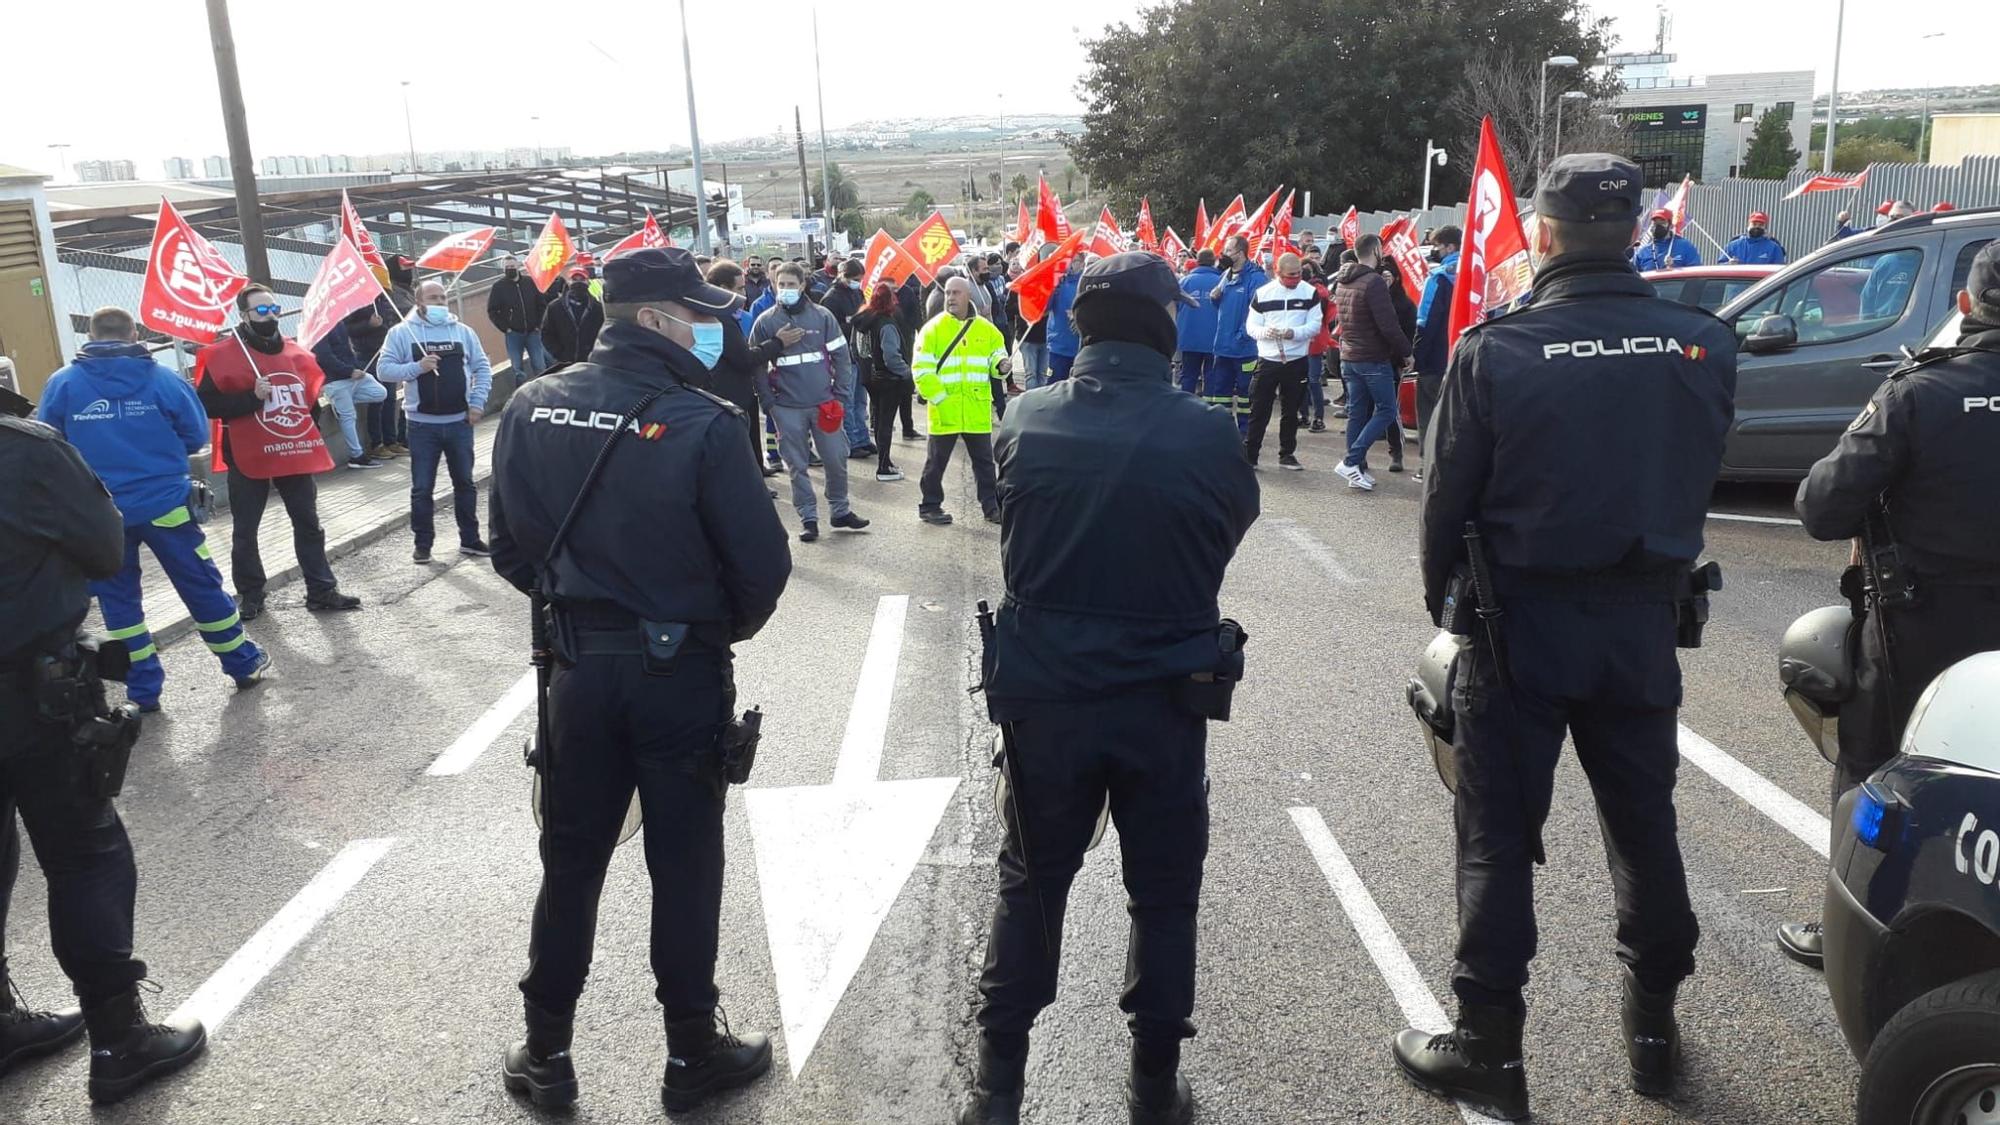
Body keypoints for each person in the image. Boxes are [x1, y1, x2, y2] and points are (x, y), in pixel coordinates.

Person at [1395, 155, 1737, 1120]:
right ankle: (1654, 1032)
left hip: (1520, 630)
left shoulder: (1497, 349)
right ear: (1634, 230)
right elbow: (1698, 465)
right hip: (1641, 623)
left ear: (1541, 234)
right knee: (1645, 828)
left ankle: (1491, 1048)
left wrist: (1446, 609)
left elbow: (1444, 505)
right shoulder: (1703, 340)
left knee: (1497, 838)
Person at [487, 247, 791, 1115]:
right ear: (652, 318)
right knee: (685, 863)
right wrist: (696, 629)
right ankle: (692, 1054)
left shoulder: (530, 405)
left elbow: (508, 546)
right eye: (696, 313)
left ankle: (546, 1052)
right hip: (678, 674)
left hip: (577, 672)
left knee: (571, 857)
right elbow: (761, 571)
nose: (711, 325)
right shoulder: (702, 419)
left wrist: (587, 613)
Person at [959, 252, 1258, 1125]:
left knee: (1031, 881)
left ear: (1081, 326)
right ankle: (1153, 1087)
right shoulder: (1203, 431)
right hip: (1164, 700)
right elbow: (1229, 526)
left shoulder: (1024, 417)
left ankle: (997, 1086)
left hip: (1045, 698)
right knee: (1163, 894)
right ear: (1166, 326)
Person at [1773, 241, 2000, 971]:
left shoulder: (1917, 392)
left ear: (1965, 307)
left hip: (1921, 632)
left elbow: (1820, 505)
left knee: (1872, 768)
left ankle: (1853, 929)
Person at [0, 383, 209, 1105]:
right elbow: (104, 545)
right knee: (87, 855)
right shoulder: (26, 448)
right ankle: (119, 1039)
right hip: (32, 694)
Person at [37, 307, 274, 709]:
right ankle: (242, 664)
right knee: (200, 587)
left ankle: (143, 691)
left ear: (91, 337)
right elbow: (195, 433)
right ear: (133, 334)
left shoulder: (63, 383)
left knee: (119, 603)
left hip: (100, 514)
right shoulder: (163, 379)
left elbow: (50, 445)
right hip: (166, 505)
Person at [195, 283, 361, 620]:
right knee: (246, 529)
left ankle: (321, 589)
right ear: (244, 316)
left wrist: (307, 433)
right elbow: (208, 403)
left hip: (291, 449)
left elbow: (310, 400)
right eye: (262, 310)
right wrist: (251, 397)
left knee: (308, 523)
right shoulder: (223, 354)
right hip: (247, 454)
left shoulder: (295, 352)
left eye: (274, 309)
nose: (270, 316)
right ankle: (251, 594)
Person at [749, 262, 869, 542]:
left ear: (803, 285)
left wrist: (840, 395)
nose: (786, 290)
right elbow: (756, 365)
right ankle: (809, 518)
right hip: (786, 407)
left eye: (792, 284)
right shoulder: (766, 321)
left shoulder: (822, 316)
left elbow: (842, 356)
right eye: (782, 284)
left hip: (824, 404)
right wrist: (768, 403)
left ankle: (840, 510)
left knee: (836, 458)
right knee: (797, 466)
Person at [379, 279, 495, 565]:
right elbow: (384, 371)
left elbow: (482, 368)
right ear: (419, 302)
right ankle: (423, 545)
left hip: (460, 423)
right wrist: (417, 367)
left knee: (465, 484)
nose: (440, 302)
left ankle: (470, 539)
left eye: (443, 297)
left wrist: (477, 403)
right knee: (422, 488)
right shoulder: (401, 333)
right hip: (421, 426)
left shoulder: (463, 332)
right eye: (433, 298)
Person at [912, 277, 1009, 525]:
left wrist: (1001, 365)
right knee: (936, 463)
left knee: (985, 464)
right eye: (948, 293)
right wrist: (941, 399)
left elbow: (997, 356)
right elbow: (922, 371)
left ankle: (991, 507)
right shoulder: (932, 329)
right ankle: (930, 506)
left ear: (969, 297)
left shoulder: (986, 330)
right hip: (946, 410)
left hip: (976, 409)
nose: (951, 298)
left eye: (956, 293)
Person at [1331, 235, 1413, 491]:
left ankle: (1355, 469)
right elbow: (1389, 325)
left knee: (1357, 412)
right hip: (1372, 358)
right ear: (1376, 250)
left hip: (1350, 356)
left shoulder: (1343, 280)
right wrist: (1407, 353)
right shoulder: (1373, 281)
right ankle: (1351, 461)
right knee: (1387, 410)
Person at [1242, 252, 1321, 470]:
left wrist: (1292, 333)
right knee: (1259, 409)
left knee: (1291, 410)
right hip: (1268, 359)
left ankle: (1287, 454)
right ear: (1278, 273)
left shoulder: (1310, 292)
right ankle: (1250, 456)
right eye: (1290, 275)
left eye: (1299, 274)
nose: (1295, 279)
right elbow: (1251, 327)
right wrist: (1266, 332)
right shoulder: (1263, 293)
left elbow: (1315, 325)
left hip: (1297, 359)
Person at [699, 260, 769, 472]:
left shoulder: (726, 314)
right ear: (723, 289)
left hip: (737, 392)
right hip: (729, 393)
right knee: (738, 449)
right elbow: (744, 358)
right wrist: (777, 343)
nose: (744, 294)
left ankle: (758, 472)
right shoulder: (719, 318)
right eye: (739, 288)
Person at [850, 281, 917, 482]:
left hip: (869, 377)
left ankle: (884, 461)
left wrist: (864, 367)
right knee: (886, 423)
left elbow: (855, 347)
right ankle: (883, 466)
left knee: (878, 419)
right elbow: (891, 356)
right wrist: (907, 373)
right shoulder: (886, 323)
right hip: (888, 379)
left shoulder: (861, 320)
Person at [1412, 226, 1462, 483]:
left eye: (1437, 246)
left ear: (1449, 247)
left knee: (1430, 415)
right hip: (1469, 359)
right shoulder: (1481, 274)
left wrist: (1416, 358)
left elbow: (1425, 322)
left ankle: (1428, 465)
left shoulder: (1439, 277)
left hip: (1436, 361)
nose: (1435, 250)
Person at [311, 316, 391, 468]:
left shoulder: (338, 322)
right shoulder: (319, 327)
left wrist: (355, 368)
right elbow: (324, 357)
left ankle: (341, 403)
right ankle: (357, 456)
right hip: (335, 379)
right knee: (348, 417)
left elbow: (346, 350)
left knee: (380, 392)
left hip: (353, 375)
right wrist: (349, 371)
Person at [1208, 234, 1266, 434]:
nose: (1224, 254)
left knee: (1245, 395)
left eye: (1228, 250)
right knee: (1220, 395)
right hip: (1223, 347)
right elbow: (1221, 307)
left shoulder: (1257, 278)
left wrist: (1241, 336)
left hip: (1245, 350)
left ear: (1240, 253)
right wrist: (1213, 298)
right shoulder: (1226, 274)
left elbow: (1258, 313)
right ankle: (1221, 433)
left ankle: (1245, 435)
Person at [357, 257, 414, 458]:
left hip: (387, 352)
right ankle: (377, 443)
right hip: (369, 354)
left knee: (390, 398)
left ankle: (392, 440)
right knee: (378, 399)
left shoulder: (385, 297)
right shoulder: (360, 300)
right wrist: (369, 325)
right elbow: (350, 329)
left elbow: (391, 322)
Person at [820, 258, 874, 459]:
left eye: (860, 279)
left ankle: (862, 438)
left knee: (861, 400)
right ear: (842, 276)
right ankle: (851, 441)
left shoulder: (857, 293)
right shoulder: (831, 298)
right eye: (854, 279)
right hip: (844, 357)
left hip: (859, 354)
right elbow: (831, 330)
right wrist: (852, 323)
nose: (857, 282)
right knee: (848, 401)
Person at [487, 253, 551, 380]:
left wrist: (539, 324)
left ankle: (544, 392)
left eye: (512, 266)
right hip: (513, 334)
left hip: (533, 332)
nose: (510, 269)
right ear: (503, 269)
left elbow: (541, 305)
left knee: (540, 365)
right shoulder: (498, 287)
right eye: (507, 267)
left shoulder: (529, 282)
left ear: (517, 266)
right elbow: (492, 311)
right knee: (517, 369)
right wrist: (506, 328)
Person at [1175, 249, 1221, 398]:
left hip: (1189, 338)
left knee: (1188, 376)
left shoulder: (1185, 281)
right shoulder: (1221, 282)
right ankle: (1208, 410)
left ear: (1197, 262)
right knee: (1211, 377)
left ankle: (1185, 410)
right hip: (1214, 339)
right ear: (1214, 261)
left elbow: (1175, 308)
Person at [541, 266, 606, 370]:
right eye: (574, 280)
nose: (578, 283)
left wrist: (595, 354)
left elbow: (603, 334)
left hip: (591, 364)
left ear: (588, 282)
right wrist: (559, 354)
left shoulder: (597, 309)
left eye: (582, 279)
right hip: (565, 365)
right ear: (568, 282)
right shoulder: (554, 307)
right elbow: (546, 333)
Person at [1044, 254, 1085, 382]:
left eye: (1075, 261)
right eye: (1068, 261)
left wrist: (1079, 317)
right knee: (1054, 388)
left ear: (1082, 264)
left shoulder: (1085, 284)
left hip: (1080, 348)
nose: (1071, 264)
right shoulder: (1057, 283)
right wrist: (1052, 288)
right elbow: (1045, 309)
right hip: (1058, 346)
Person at [1631, 210, 1703, 272]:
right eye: (1655, 223)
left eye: (1662, 223)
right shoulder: (1643, 252)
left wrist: (1676, 269)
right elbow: (1633, 276)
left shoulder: (1685, 247)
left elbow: (1696, 273)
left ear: (1670, 226)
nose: (1658, 227)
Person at [1720, 211, 1788, 265]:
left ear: (1765, 228)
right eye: (1754, 224)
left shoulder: (1774, 248)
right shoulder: (1733, 246)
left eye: (1761, 225)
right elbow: (1720, 265)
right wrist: (1728, 264)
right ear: (1748, 226)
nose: (1757, 227)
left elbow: (1779, 270)